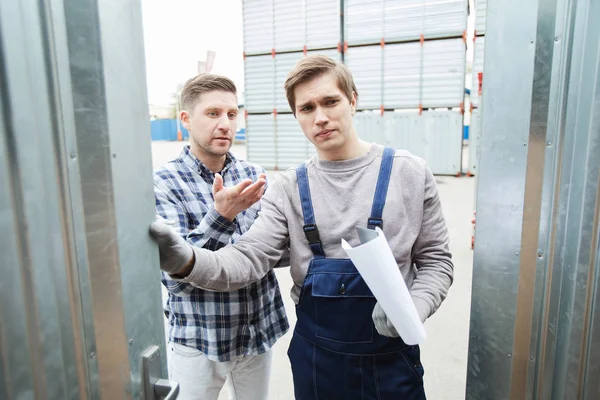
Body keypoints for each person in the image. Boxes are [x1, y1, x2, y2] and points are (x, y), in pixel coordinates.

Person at [151, 56, 454, 399]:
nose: (320, 117)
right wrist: (187, 260)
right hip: (316, 365)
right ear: (296, 116)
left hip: (392, 360)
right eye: (307, 108)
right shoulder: (289, 187)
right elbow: (250, 257)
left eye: (330, 102)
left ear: (352, 100)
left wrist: (416, 305)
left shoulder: (409, 173)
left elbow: (436, 261)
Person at [153, 73, 289, 400]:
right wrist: (221, 216)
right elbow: (174, 276)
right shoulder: (163, 183)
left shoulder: (251, 174)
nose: (225, 123)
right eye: (213, 113)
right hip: (200, 339)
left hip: (256, 331)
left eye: (231, 114)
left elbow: (271, 249)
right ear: (185, 119)